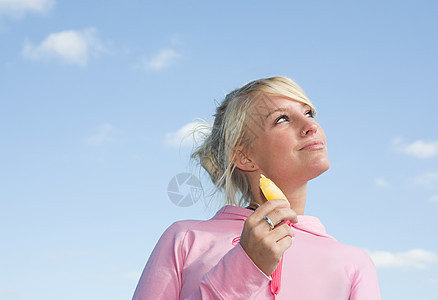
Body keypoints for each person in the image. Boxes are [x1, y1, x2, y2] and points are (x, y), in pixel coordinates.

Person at [132, 76, 381, 299]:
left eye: (309, 113)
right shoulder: (186, 239)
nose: (311, 126)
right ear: (244, 157)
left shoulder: (355, 264)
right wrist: (245, 266)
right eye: (282, 119)